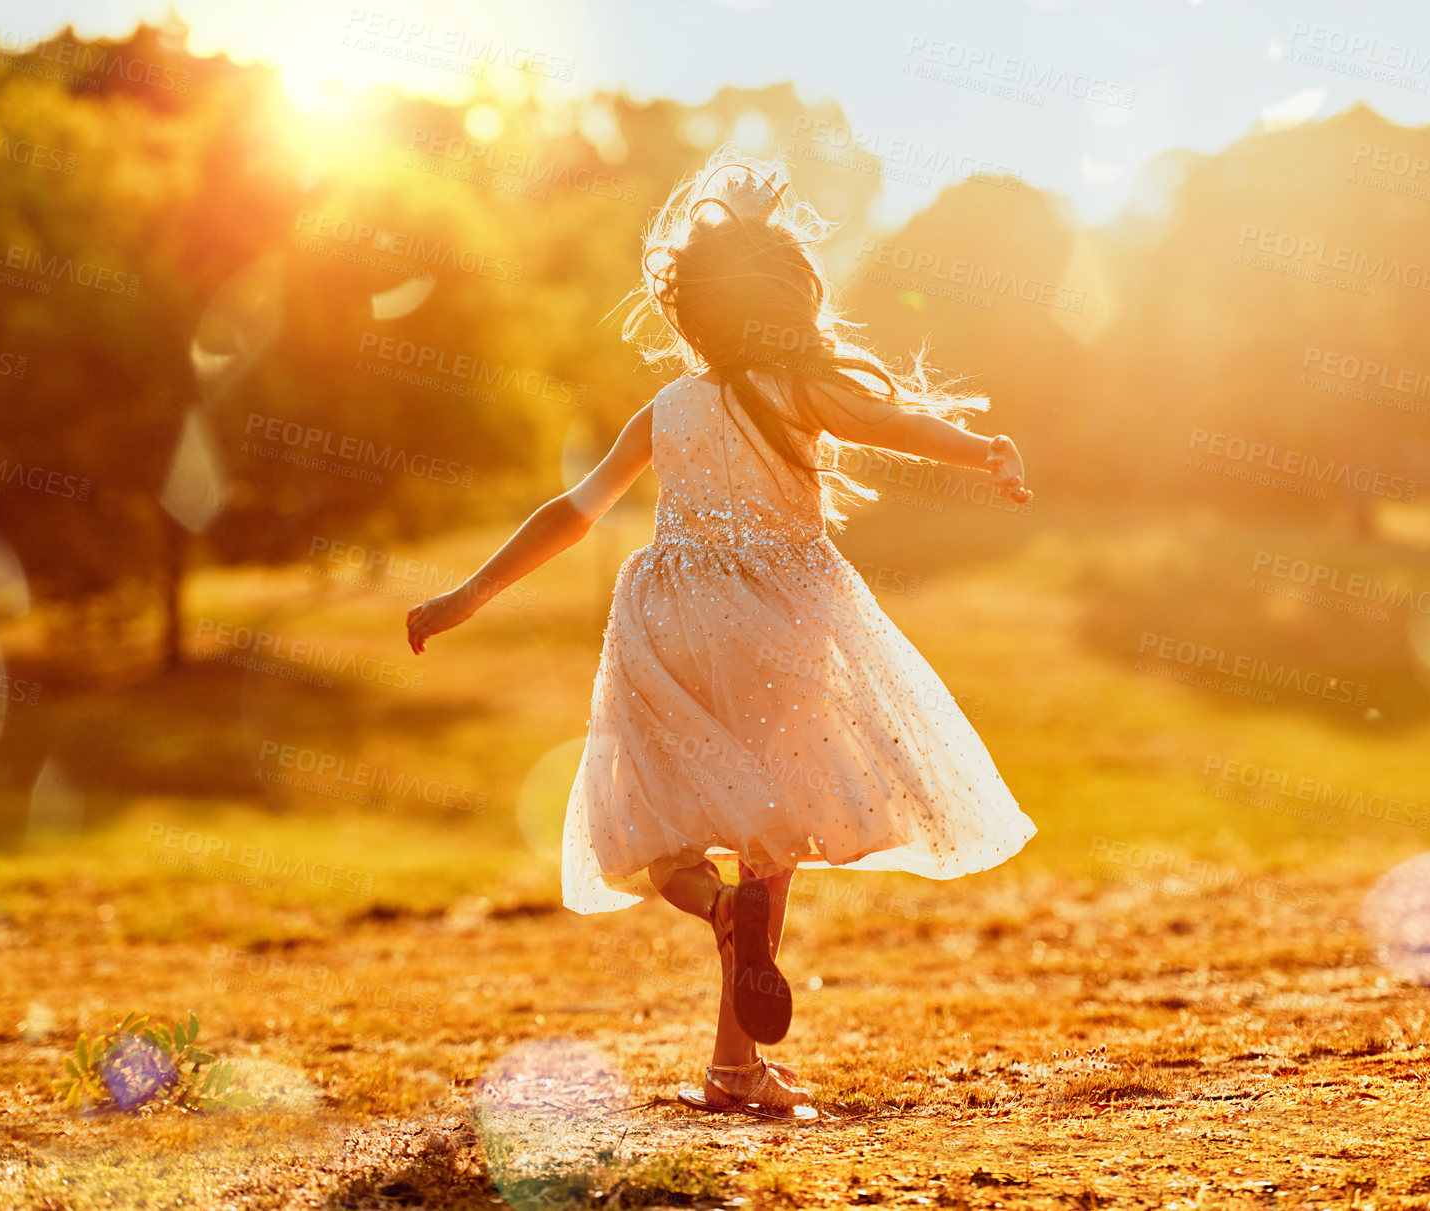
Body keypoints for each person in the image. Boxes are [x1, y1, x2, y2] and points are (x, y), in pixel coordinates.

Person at [406, 147, 1038, 1122]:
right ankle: (736, 1024)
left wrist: (468, 592)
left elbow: (571, 511)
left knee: (659, 818)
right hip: (782, 616)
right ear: (787, 299)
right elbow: (890, 423)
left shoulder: (665, 408)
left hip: (669, 614)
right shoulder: (794, 389)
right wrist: (982, 449)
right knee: (768, 836)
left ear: (686, 310)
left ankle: (721, 1000)